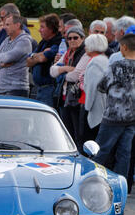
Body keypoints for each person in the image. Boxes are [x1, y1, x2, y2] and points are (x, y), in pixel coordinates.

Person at [93, 33, 135, 182]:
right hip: (132, 118)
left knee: (101, 150)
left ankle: (91, 180)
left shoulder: (116, 66)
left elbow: (101, 86)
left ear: (123, 47)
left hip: (113, 115)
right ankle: (121, 185)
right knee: (125, 153)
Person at [50, 26, 87, 146]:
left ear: (82, 38)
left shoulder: (85, 53)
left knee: (77, 134)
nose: (72, 40)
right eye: (69, 38)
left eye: (75, 37)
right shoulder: (67, 53)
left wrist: (61, 72)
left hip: (76, 99)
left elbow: (75, 76)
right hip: (64, 97)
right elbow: (52, 71)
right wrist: (66, 68)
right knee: (66, 132)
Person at [0, 14, 33, 97]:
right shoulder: (6, 40)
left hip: (16, 89)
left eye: (7, 25)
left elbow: (8, 58)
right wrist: (0, 64)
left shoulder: (24, 41)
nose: (4, 27)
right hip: (2, 89)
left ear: (17, 25)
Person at [26, 13, 62, 106]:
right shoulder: (43, 42)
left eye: (42, 27)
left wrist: (35, 56)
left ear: (51, 28)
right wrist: (38, 55)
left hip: (49, 88)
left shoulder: (57, 42)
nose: (39, 30)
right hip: (38, 88)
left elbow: (43, 58)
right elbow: (27, 61)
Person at [82, 34, 109, 144]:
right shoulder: (105, 60)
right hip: (104, 107)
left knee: (89, 141)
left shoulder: (95, 63)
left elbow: (92, 87)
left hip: (96, 108)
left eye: (87, 45)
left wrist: (87, 107)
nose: (85, 47)